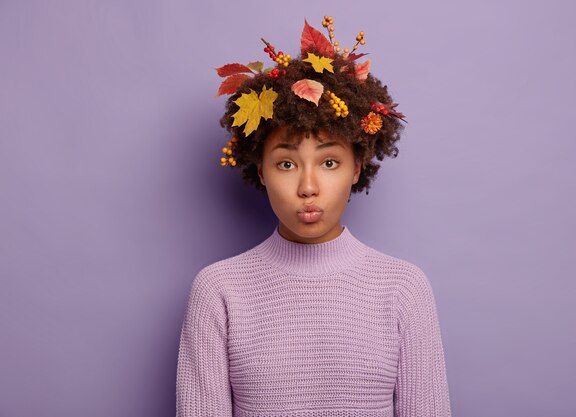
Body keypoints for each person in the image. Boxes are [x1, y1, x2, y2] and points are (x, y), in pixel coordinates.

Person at [176, 15, 452, 417]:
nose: (308, 186)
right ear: (260, 169)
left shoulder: (404, 290)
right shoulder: (218, 292)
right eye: (286, 164)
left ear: (356, 167)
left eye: (329, 162)